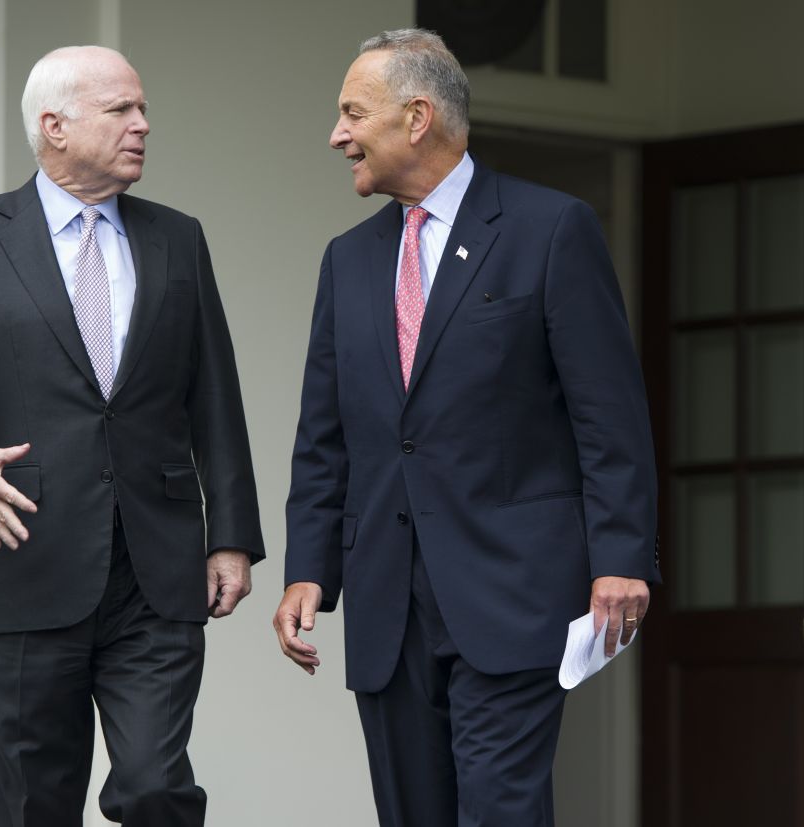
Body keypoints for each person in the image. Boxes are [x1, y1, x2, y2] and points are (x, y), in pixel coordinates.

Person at [273, 28, 659, 827]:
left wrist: (622, 556)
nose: (336, 134)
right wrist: (309, 568)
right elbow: (325, 436)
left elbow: (608, 414)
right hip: (388, 599)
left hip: (510, 591)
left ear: (417, 118)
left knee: (500, 812)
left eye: (352, 113)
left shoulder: (551, 228)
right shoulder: (346, 261)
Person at [0, 46, 263, 826]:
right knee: (30, 807)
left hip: (156, 575)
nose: (143, 124)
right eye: (121, 109)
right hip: (27, 560)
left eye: (142, 107)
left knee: (157, 788)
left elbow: (215, 396)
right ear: (54, 127)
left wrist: (231, 536)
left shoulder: (179, 239)